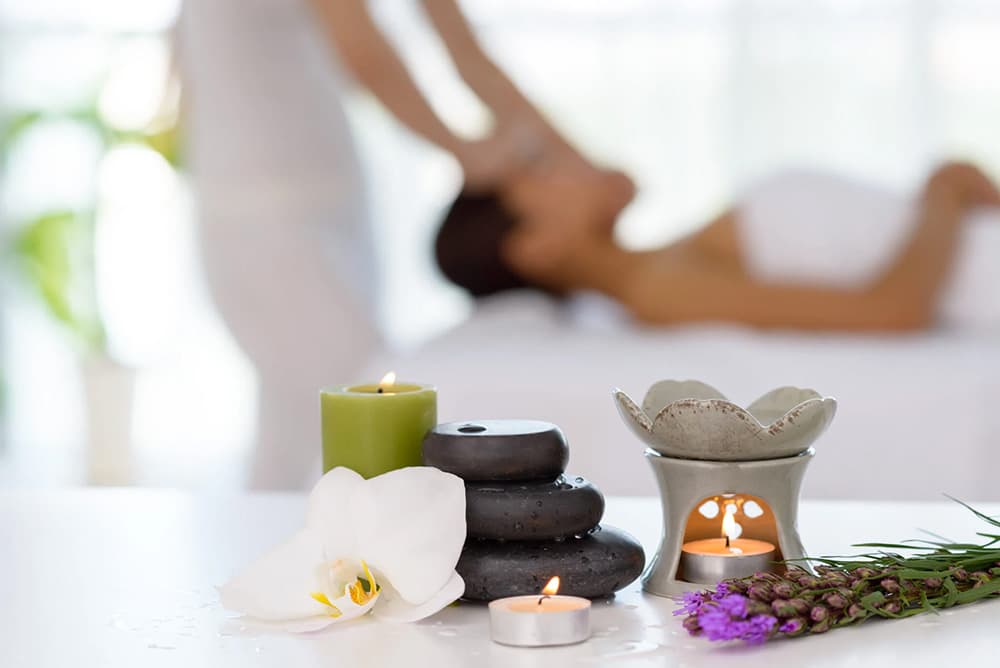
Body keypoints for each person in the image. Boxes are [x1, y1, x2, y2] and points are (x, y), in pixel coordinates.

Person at [178, 0, 624, 488]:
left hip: (331, 194)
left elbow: (469, 57)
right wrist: (468, 153)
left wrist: (587, 171)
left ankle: (287, 532)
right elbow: (364, 52)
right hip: (263, 202)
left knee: (298, 417)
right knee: (351, 409)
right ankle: (329, 534)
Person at [437, 162, 1000, 331]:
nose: (570, 163)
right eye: (543, 175)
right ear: (535, 249)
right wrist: (945, 191)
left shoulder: (672, 259)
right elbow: (890, 312)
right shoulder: (658, 291)